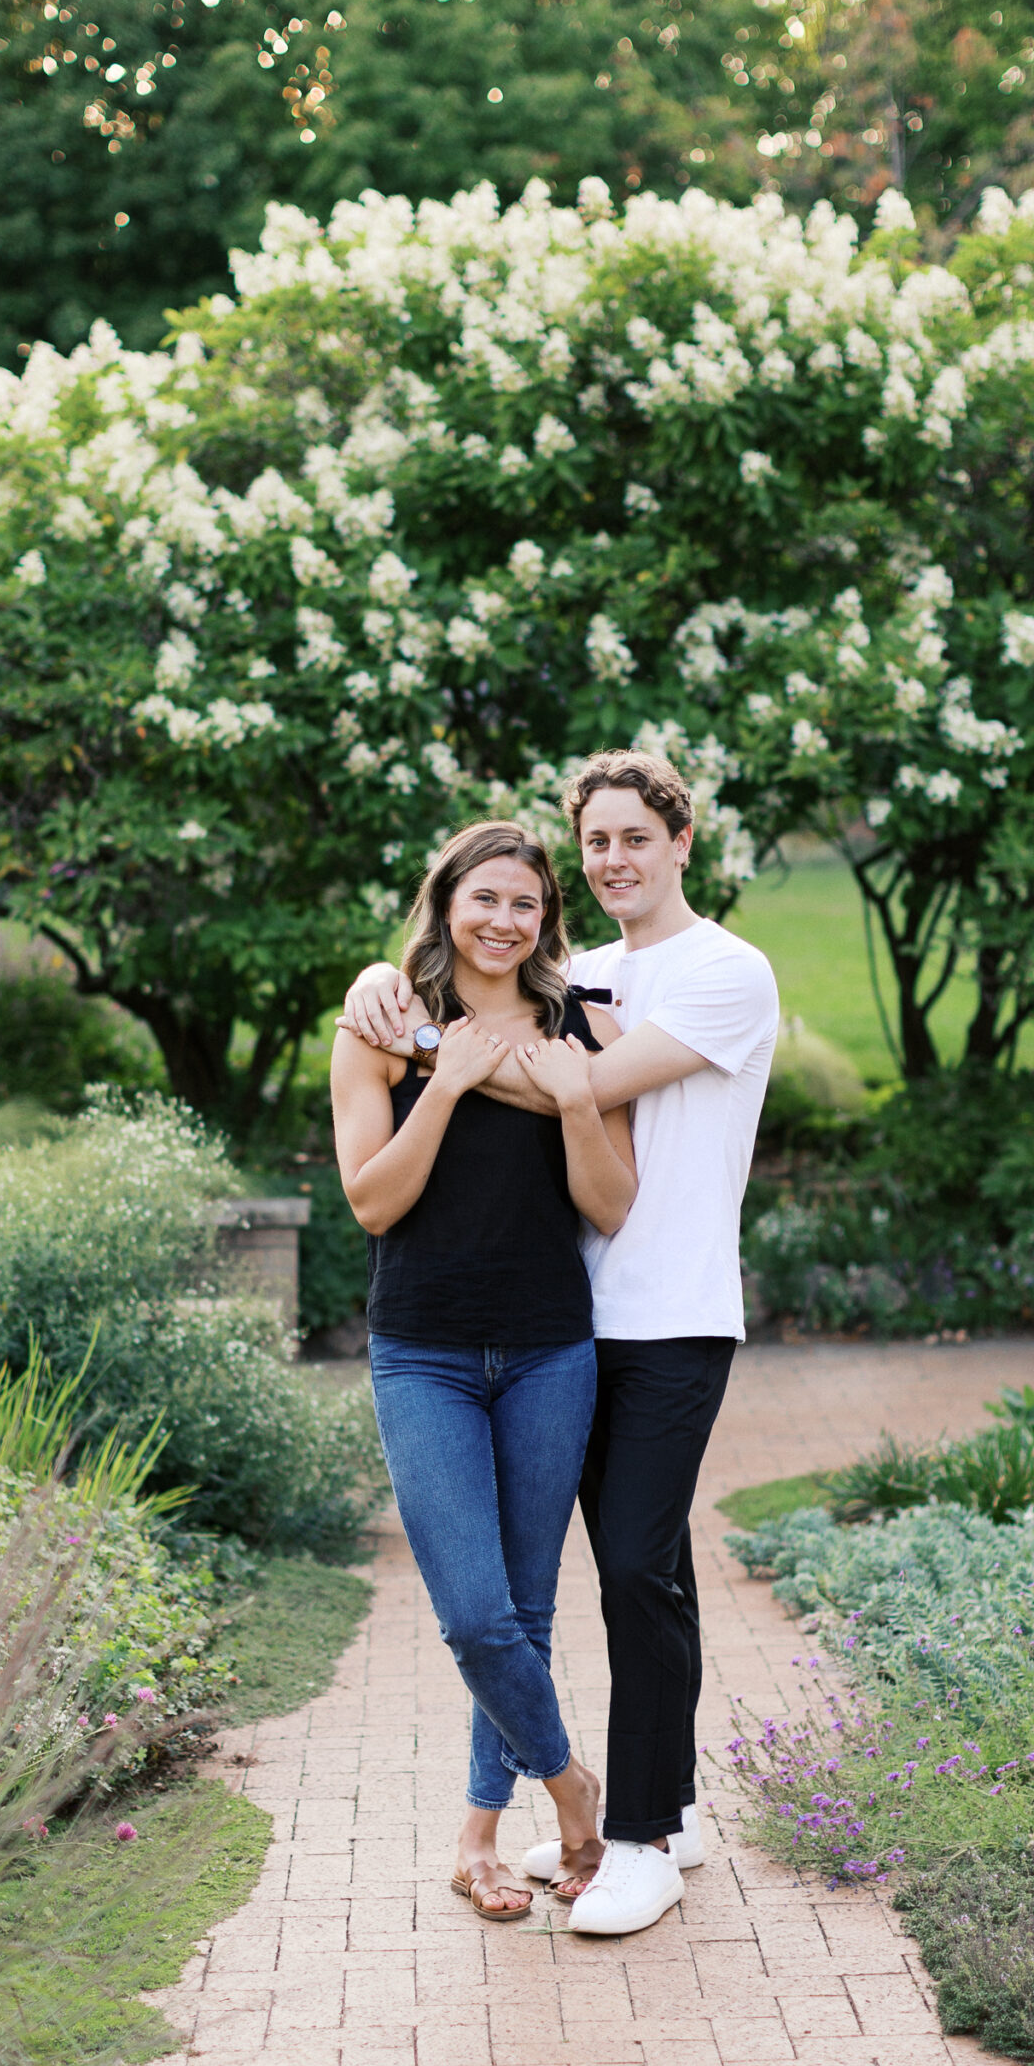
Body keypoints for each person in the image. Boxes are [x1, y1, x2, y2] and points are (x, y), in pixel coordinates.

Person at [342, 750, 780, 1935]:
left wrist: (434, 1048)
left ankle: (630, 1836)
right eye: (596, 842)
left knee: (630, 1570)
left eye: (637, 836)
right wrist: (387, 989)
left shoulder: (724, 972)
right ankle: (653, 1808)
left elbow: (579, 1093)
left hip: (666, 1313)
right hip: (556, 1323)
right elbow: (471, 982)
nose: (615, 858)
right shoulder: (573, 976)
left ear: (681, 841)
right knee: (609, 1586)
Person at [330, 819, 637, 1921]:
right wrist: (448, 1082)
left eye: (525, 904)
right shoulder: (381, 1024)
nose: (504, 922)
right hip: (423, 1350)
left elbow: (609, 1202)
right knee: (473, 1612)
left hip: (552, 1345)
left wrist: (569, 1098)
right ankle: (573, 1792)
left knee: (525, 1607)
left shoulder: (581, 1029)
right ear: (445, 901)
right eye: (484, 899)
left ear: (547, 917)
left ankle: (477, 1837)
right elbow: (372, 1201)